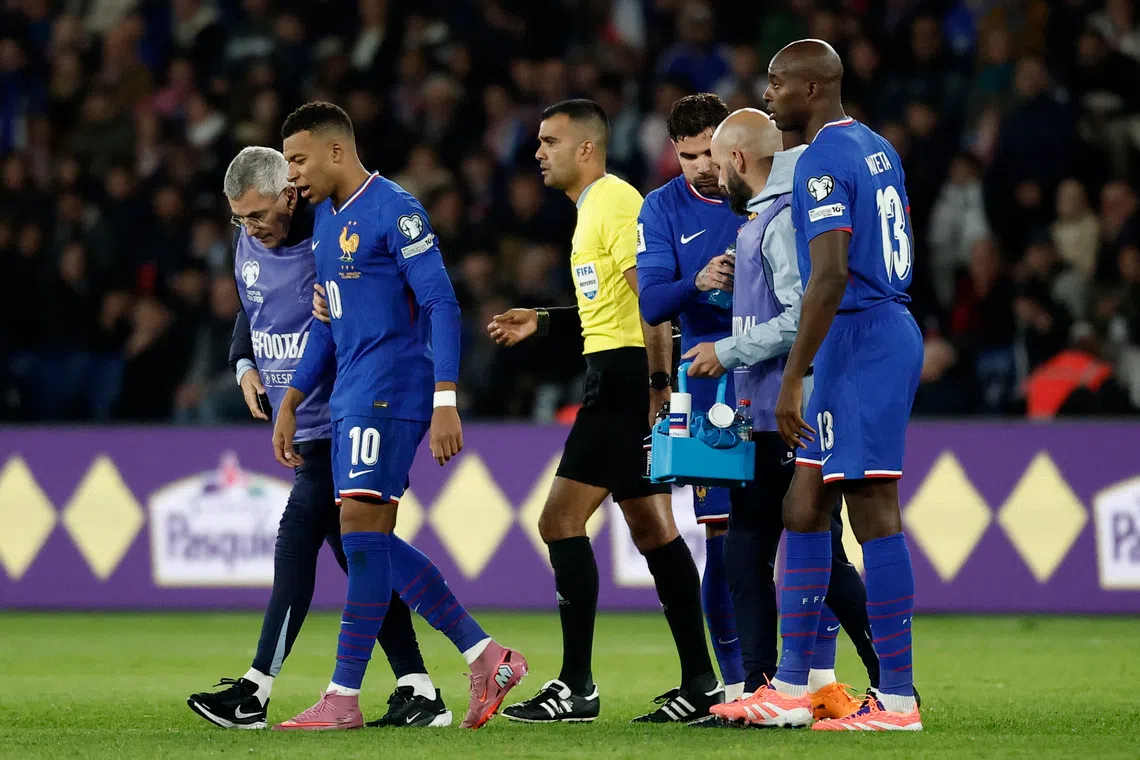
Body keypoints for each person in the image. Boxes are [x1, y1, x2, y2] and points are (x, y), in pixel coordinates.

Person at [270, 103, 527, 731]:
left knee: (360, 536)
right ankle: (485, 655)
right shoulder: (326, 222)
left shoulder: (396, 209)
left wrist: (446, 398)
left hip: (392, 391)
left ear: (336, 151)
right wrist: (294, 397)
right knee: (368, 540)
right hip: (352, 393)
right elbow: (329, 328)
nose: (291, 177)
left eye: (298, 161)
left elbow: (441, 301)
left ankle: (344, 696)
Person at [187, 146, 450, 731]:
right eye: (238, 220)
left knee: (299, 537)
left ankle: (255, 689)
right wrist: (242, 365)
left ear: (288, 194)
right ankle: (421, 686)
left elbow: (401, 303)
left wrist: (441, 393)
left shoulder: (332, 229)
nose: (248, 229)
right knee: (359, 555)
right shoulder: (252, 240)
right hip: (305, 421)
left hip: (348, 415)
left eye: (255, 215)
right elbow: (250, 307)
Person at [488, 99, 722, 724]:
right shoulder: (594, 208)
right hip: (618, 373)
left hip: (625, 384)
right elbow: (612, 308)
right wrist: (542, 320)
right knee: (653, 529)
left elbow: (654, 301)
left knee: (559, 521)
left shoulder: (614, 203)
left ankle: (576, 687)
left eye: (549, 141)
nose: (538, 152)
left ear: (585, 148)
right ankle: (703, 684)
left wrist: (656, 387)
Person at [717, 40, 925, 731]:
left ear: (810, 89)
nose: (767, 96)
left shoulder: (822, 164)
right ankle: (790, 687)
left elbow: (830, 275)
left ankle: (897, 699)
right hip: (859, 337)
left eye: (775, 84)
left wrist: (791, 380)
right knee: (803, 508)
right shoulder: (874, 146)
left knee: (872, 509)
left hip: (863, 337)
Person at [684, 108, 884, 723]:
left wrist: (727, 349)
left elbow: (804, 314)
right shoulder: (762, 218)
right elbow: (773, 303)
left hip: (793, 406)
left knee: (814, 546)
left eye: (717, 164)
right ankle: (760, 682)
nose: (713, 176)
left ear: (740, 160)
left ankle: (887, 677)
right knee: (749, 545)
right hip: (761, 408)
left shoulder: (781, 217)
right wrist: (723, 290)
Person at [634, 92, 745, 705]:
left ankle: (812, 681)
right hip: (707, 391)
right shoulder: (661, 208)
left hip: (775, 378)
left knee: (808, 528)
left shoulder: (767, 190)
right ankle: (730, 688)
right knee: (722, 543)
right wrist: (695, 280)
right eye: (688, 155)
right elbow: (651, 305)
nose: (702, 166)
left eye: (711, 153)